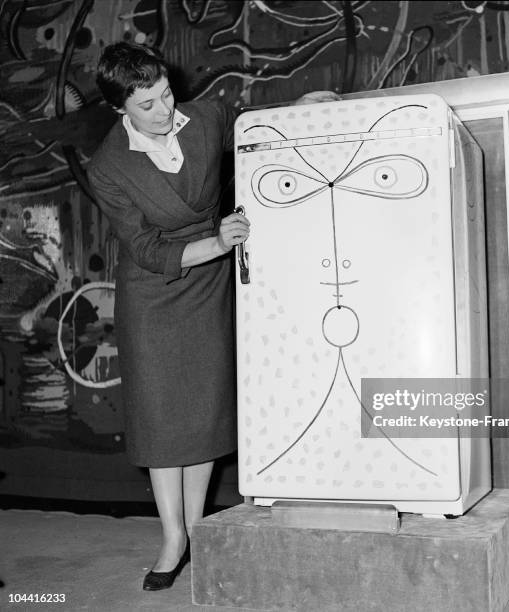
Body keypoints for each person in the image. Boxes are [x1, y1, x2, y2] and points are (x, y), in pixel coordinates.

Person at [88, 41, 338, 591]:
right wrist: (216, 243)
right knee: (161, 419)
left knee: (200, 413)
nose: (162, 111)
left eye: (164, 95)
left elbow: (254, 130)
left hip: (208, 286)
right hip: (156, 289)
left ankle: (197, 528)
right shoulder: (107, 166)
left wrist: (303, 109)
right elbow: (146, 248)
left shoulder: (204, 116)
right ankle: (172, 537)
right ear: (118, 109)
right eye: (145, 106)